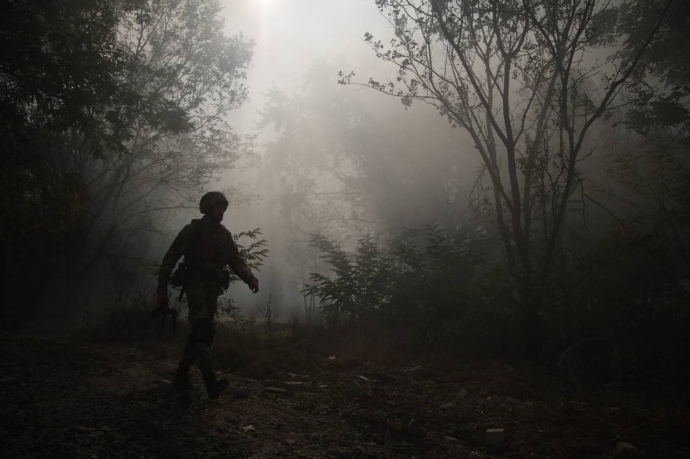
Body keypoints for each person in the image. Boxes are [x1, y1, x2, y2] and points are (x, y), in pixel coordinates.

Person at [155, 191, 259, 399]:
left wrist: (250, 278)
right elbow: (170, 258)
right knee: (204, 330)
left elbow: (235, 260)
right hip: (195, 288)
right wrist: (162, 289)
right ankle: (210, 380)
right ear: (208, 208)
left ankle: (181, 376)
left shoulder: (224, 235)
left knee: (198, 335)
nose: (221, 211)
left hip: (212, 292)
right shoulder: (193, 230)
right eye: (217, 207)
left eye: (223, 207)